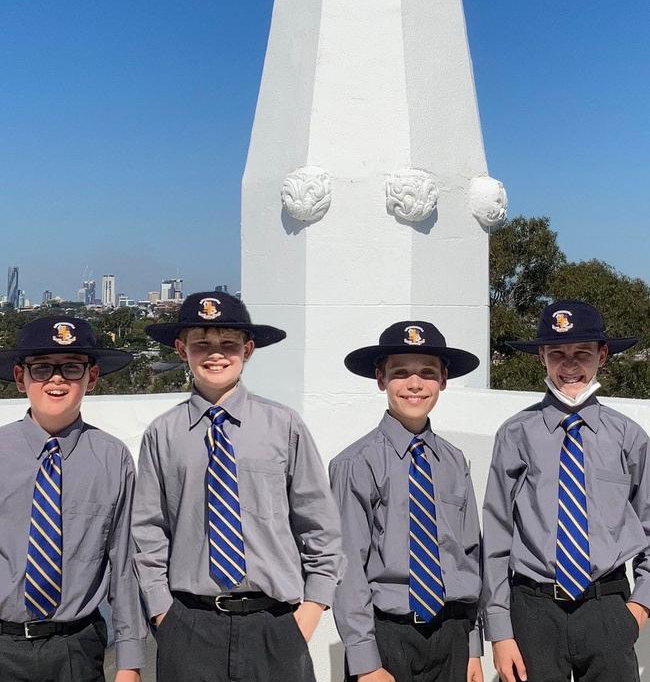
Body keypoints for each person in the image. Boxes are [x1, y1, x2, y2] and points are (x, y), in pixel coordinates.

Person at [132, 291, 345, 682]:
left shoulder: (284, 426)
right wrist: (164, 614)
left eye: (228, 344)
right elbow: (148, 531)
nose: (216, 354)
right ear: (182, 350)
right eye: (202, 345)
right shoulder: (163, 434)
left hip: (276, 625)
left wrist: (310, 611)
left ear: (247, 350)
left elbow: (319, 524)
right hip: (190, 625)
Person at [482, 298, 650, 682]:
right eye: (557, 352)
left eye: (582, 353)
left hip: (606, 605)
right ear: (542, 356)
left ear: (602, 356)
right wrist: (500, 631)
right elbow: (496, 535)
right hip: (534, 609)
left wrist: (640, 606)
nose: (569, 364)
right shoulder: (515, 434)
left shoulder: (628, 438)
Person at [329, 321, 484, 682]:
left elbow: (469, 554)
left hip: (452, 635)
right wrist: (365, 661)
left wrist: (472, 645)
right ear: (381, 379)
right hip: (386, 637)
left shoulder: (454, 461)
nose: (415, 384)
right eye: (401, 373)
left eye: (427, 373)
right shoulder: (355, 463)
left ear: (443, 380)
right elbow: (346, 567)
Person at [0, 315, 146, 682]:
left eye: (71, 367)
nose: (56, 379)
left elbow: (124, 564)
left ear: (91, 378)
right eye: (41, 368)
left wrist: (129, 661)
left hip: (76, 649)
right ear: (21, 379)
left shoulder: (112, 459)